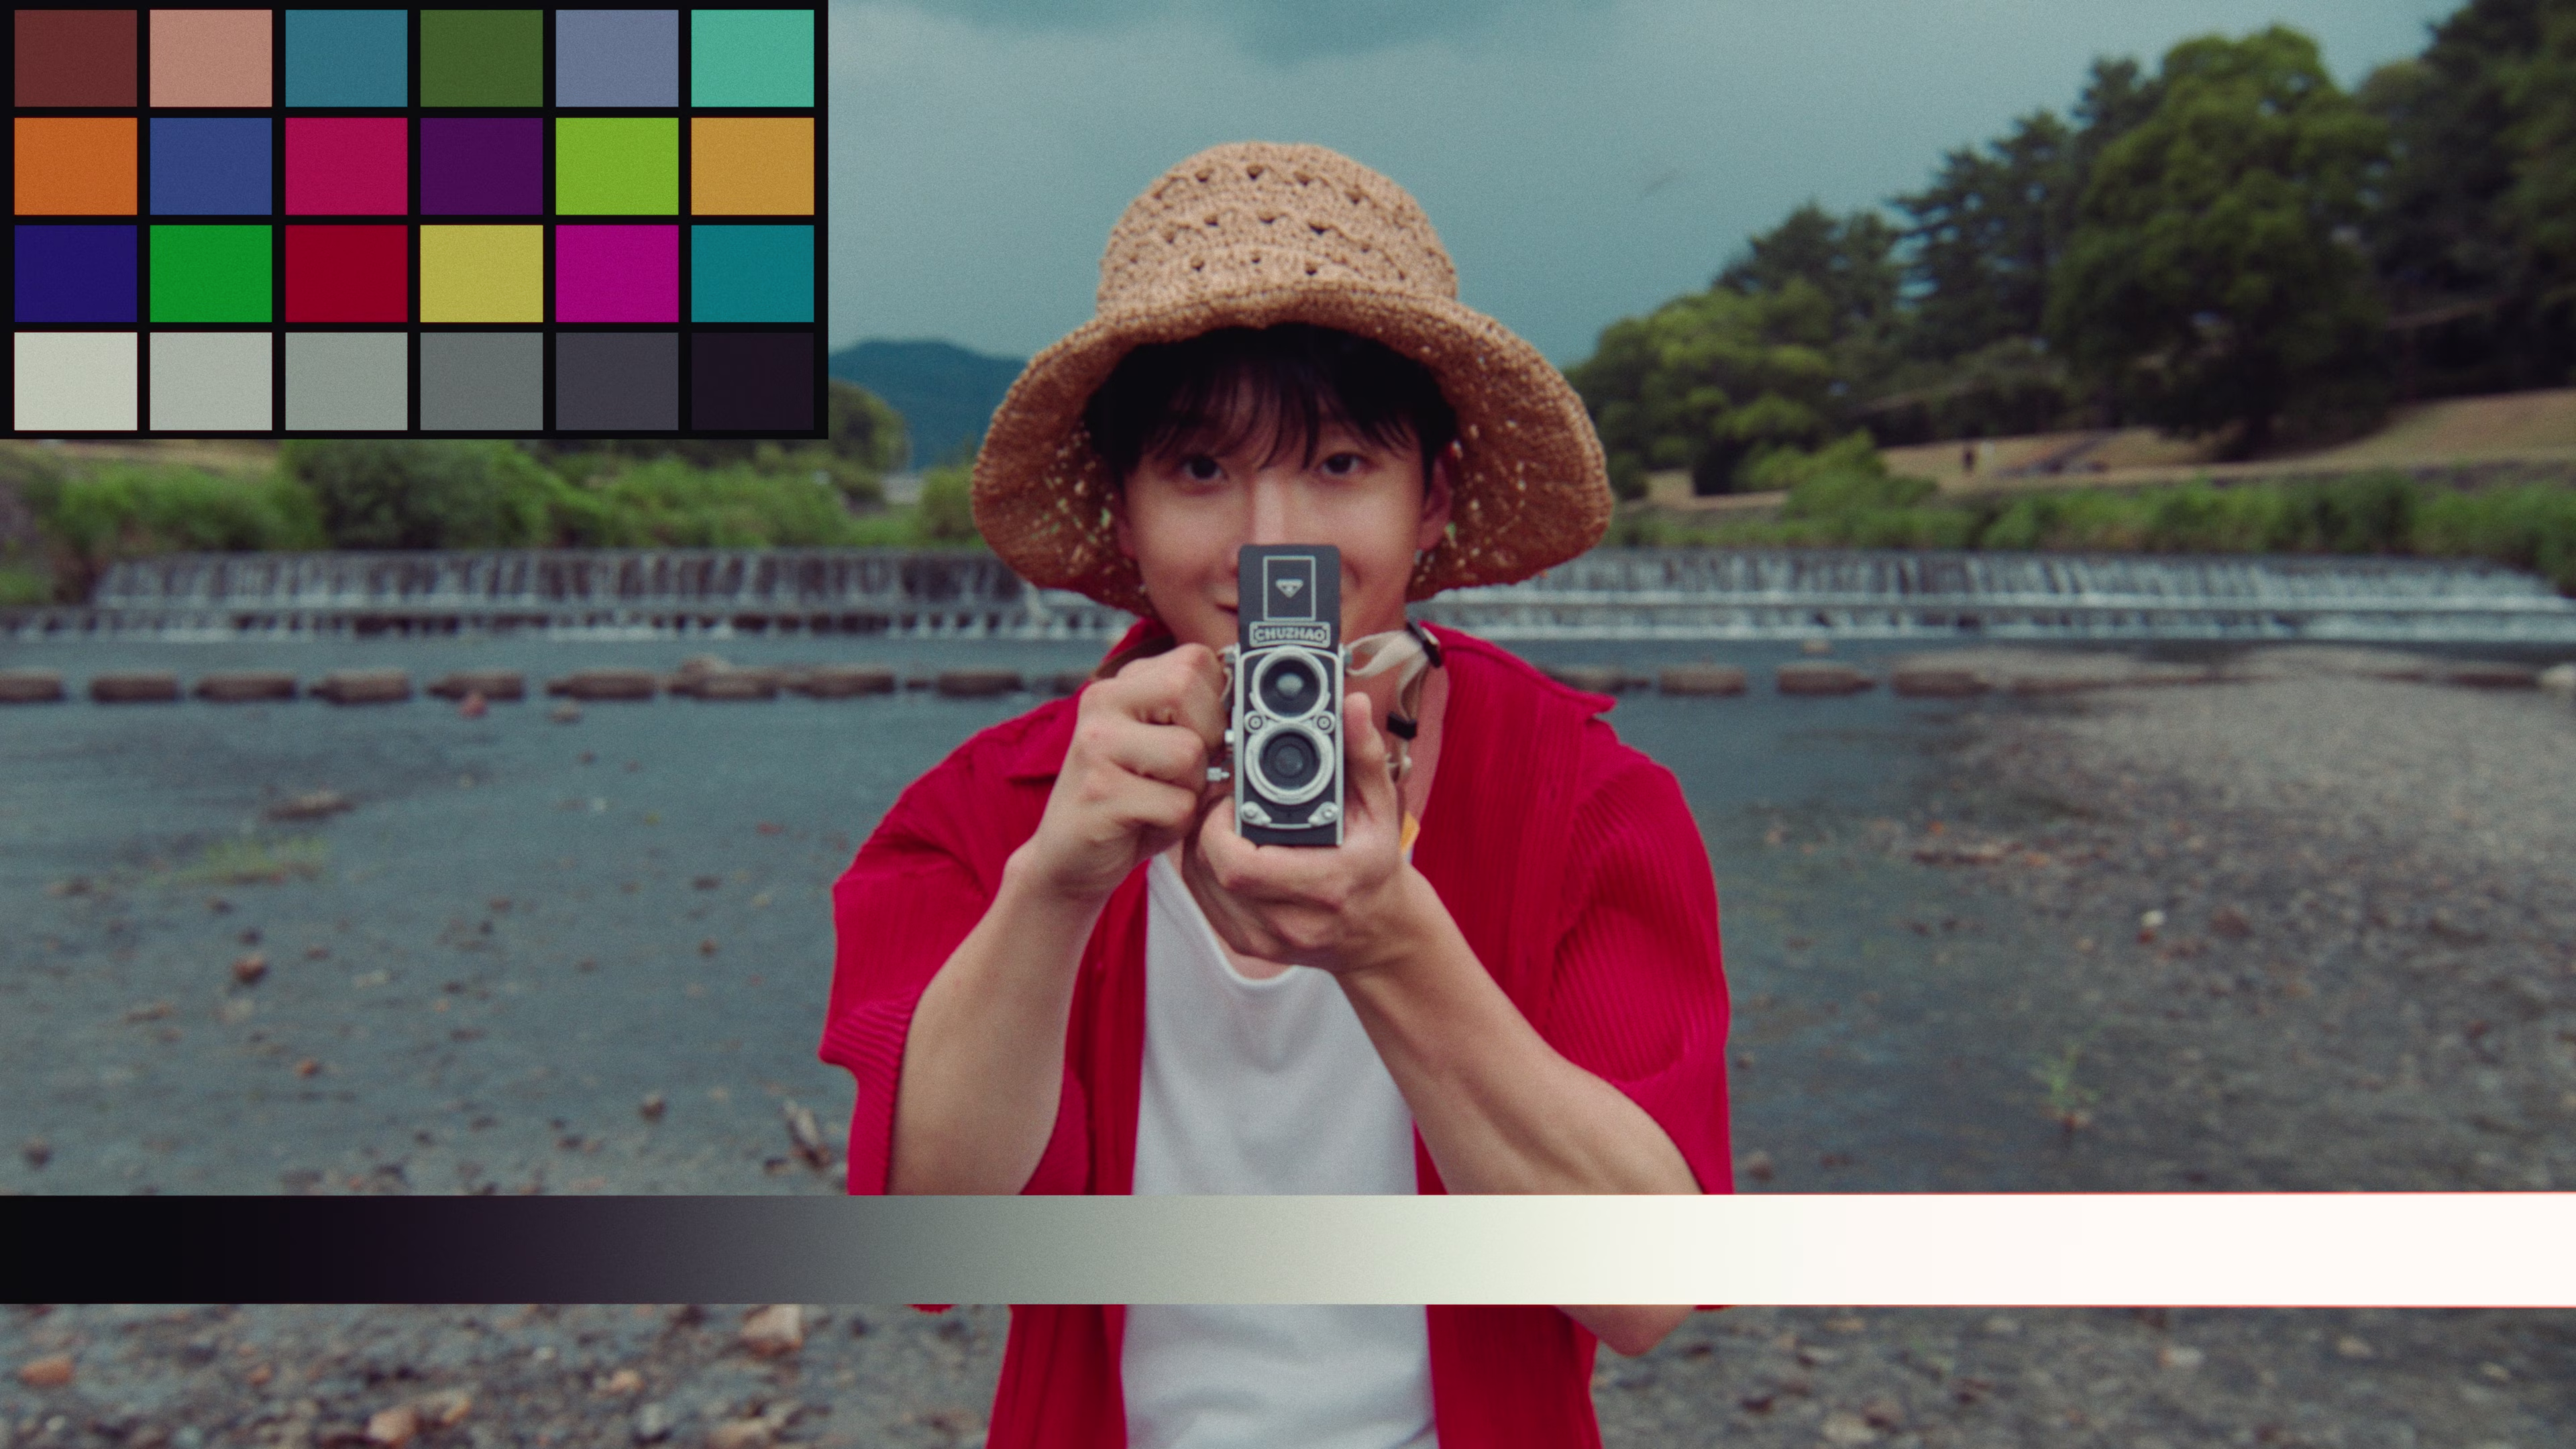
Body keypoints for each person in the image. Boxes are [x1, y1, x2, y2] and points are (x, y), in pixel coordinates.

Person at [820, 142, 1733, 1449]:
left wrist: (1395, 944)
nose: (1272, 539)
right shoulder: (990, 807)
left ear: (1437, 499)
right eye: (1200, 472)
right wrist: (1055, 886)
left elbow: (1649, 1297)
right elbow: (932, 1244)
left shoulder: (1589, 800)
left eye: (1342, 464)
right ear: (1127, 515)